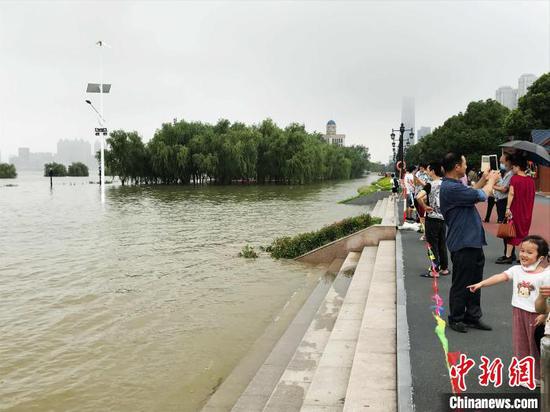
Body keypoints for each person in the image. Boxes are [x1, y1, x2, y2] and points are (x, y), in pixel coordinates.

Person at [468, 236, 550, 386]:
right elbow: (501, 277)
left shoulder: (546, 275)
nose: (524, 254)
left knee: (535, 346)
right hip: (519, 312)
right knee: (521, 344)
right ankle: (524, 374)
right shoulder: (517, 270)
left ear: (541, 257)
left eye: (530, 252)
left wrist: (545, 315)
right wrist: (481, 284)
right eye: (522, 250)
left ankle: (538, 376)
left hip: (536, 315)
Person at [440, 152, 500, 333]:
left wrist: (483, 179)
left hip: (472, 240)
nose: (466, 167)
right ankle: (456, 317)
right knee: (461, 282)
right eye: (464, 164)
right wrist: (492, 181)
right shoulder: (451, 188)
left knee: (475, 281)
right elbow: (482, 195)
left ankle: (473, 316)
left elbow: (473, 191)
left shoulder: (455, 186)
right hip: (463, 241)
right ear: (457, 166)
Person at [496, 155, 536, 264]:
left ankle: (508, 256)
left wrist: (508, 208)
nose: (512, 169)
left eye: (513, 167)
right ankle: (525, 256)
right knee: (523, 233)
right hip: (527, 211)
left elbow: (511, 193)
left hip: (516, 209)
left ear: (518, 167)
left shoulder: (515, 178)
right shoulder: (531, 181)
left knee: (512, 232)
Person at [416, 161, 449, 277]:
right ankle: (444, 268)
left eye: (429, 170)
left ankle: (434, 269)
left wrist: (425, 206)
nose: (427, 172)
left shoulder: (430, 184)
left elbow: (418, 196)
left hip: (432, 218)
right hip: (443, 218)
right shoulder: (446, 183)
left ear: (433, 171)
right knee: (442, 243)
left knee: (431, 245)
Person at [493, 152, 514, 262]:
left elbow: (504, 189)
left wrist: (492, 185)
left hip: (504, 201)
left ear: (508, 161)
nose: (501, 164)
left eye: (502, 162)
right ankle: (509, 253)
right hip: (501, 200)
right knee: (506, 227)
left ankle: (508, 254)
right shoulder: (507, 173)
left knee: (506, 228)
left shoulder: (510, 174)